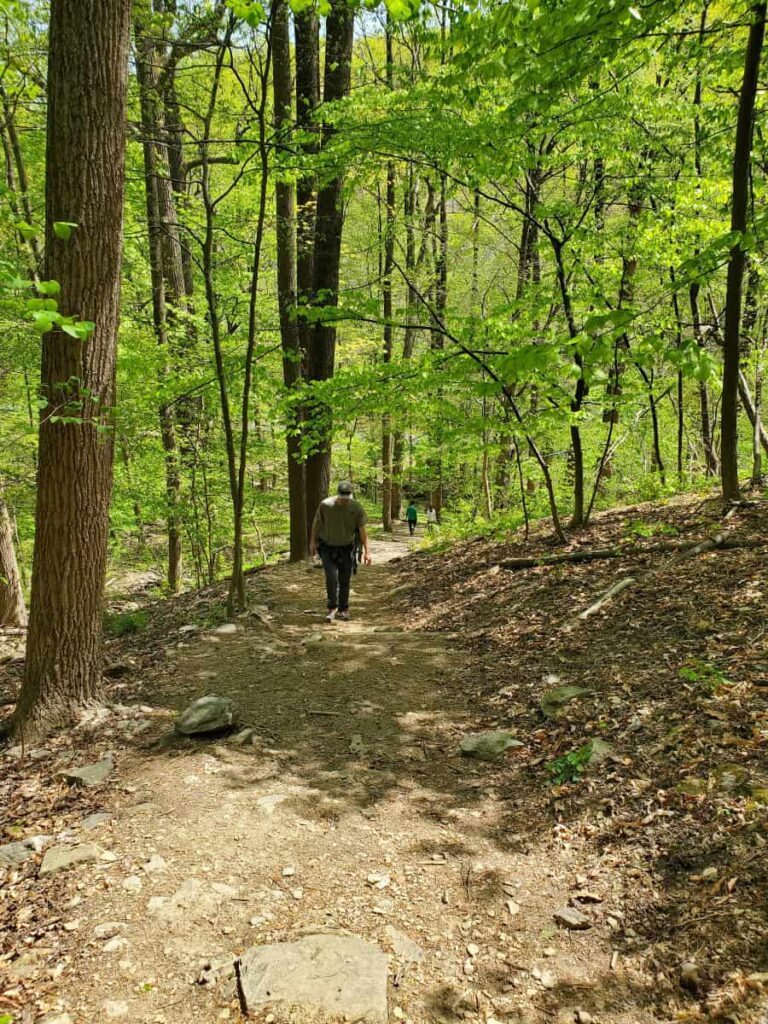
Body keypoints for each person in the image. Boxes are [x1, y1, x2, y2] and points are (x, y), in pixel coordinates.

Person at [310, 481, 371, 623]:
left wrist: (368, 551)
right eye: (342, 497)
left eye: (347, 498)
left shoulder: (356, 508)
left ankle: (343, 609)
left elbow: (363, 532)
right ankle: (332, 608)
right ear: (338, 494)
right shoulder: (326, 505)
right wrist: (312, 541)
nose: (344, 500)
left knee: (345, 580)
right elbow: (316, 523)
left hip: (347, 548)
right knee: (331, 578)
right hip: (327, 547)